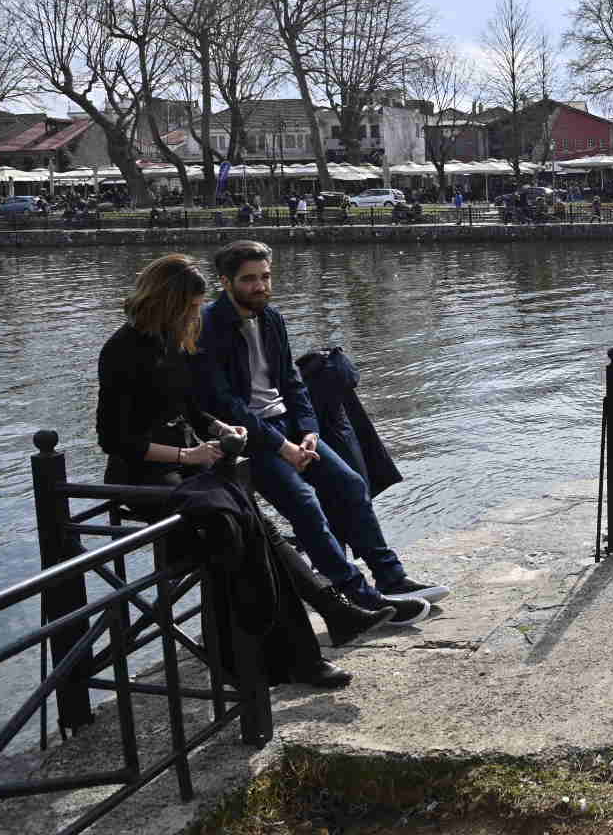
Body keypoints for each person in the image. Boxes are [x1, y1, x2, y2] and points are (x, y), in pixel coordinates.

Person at [97, 255, 388, 686]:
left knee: (259, 531)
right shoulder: (121, 350)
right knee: (247, 533)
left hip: (190, 472)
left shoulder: (172, 340)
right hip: (145, 477)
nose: (197, 315)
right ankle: (294, 643)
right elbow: (115, 440)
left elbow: (189, 407)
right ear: (168, 303)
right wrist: (187, 457)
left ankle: (315, 636)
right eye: (191, 308)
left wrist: (215, 427)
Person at [196, 241, 448, 627]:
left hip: (289, 427)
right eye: (249, 280)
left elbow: (292, 383)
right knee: (306, 506)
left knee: (349, 486)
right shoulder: (208, 326)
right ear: (225, 282)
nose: (260, 286)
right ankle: (359, 599)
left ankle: (392, 579)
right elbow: (227, 403)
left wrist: (310, 431)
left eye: (265, 277)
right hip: (250, 439)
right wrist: (282, 447)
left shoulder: (272, 317)